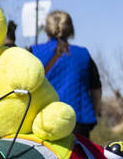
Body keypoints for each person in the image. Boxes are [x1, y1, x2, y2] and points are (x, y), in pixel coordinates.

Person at [29, 10, 102, 139]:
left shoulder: (34, 52)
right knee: (78, 158)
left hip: (42, 121)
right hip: (78, 122)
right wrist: (93, 111)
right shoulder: (83, 54)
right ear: (71, 29)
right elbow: (96, 89)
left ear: (47, 29)